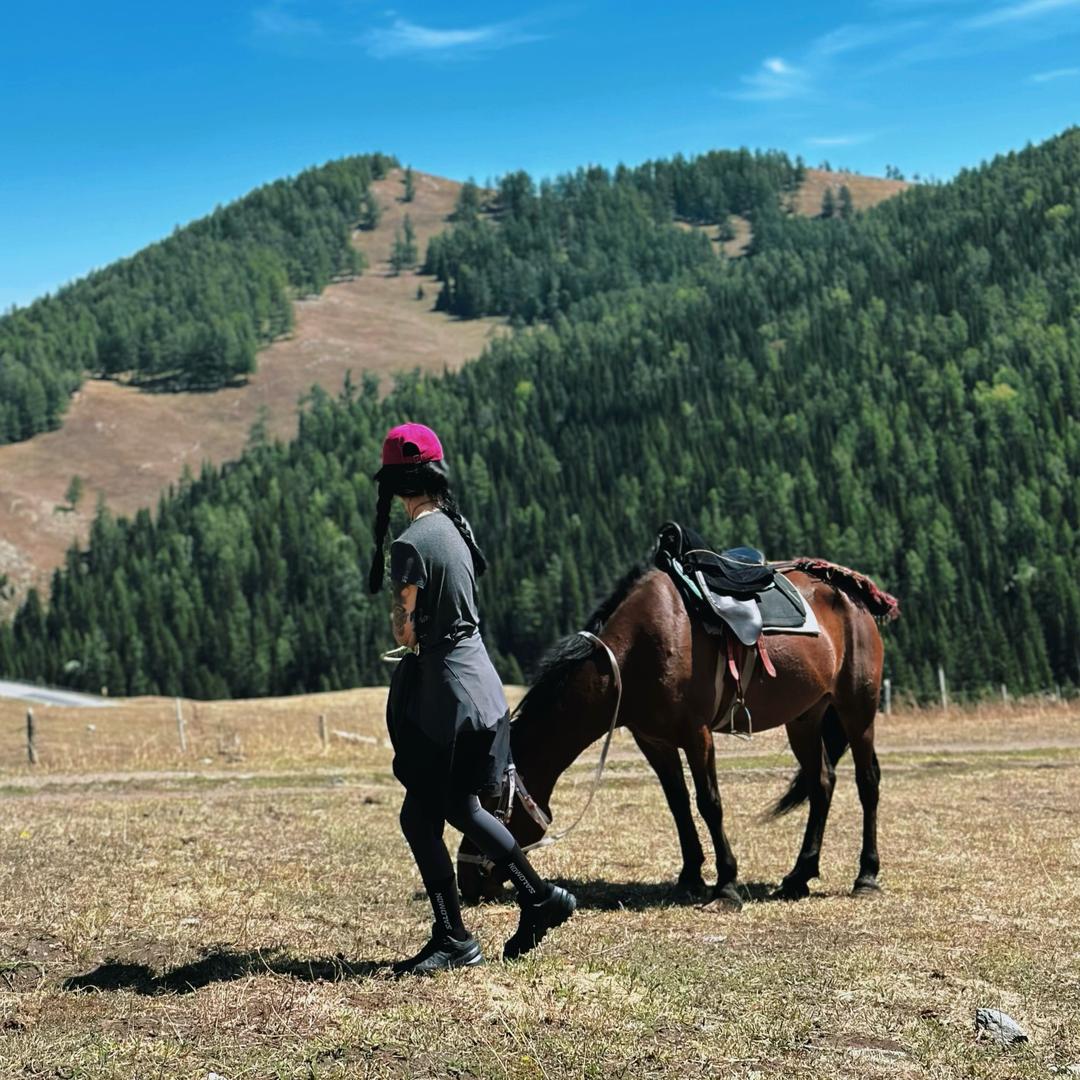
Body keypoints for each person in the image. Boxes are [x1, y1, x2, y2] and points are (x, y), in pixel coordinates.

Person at [369, 422, 576, 975]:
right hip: (480, 688)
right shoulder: (455, 530)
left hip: (448, 703)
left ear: (395, 484)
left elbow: (405, 633)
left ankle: (458, 937)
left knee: (423, 818)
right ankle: (538, 898)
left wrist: (402, 613)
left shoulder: (410, 543)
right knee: (454, 808)